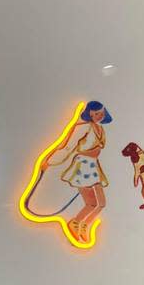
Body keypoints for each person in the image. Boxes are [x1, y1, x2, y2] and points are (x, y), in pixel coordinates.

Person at [46, 100, 112, 243]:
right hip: (82, 167)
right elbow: (68, 146)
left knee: (100, 203)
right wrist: (50, 162)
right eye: (95, 114)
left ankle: (83, 224)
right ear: (89, 114)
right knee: (92, 203)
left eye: (101, 113)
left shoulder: (100, 129)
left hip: (93, 167)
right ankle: (76, 224)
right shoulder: (84, 127)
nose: (99, 116)